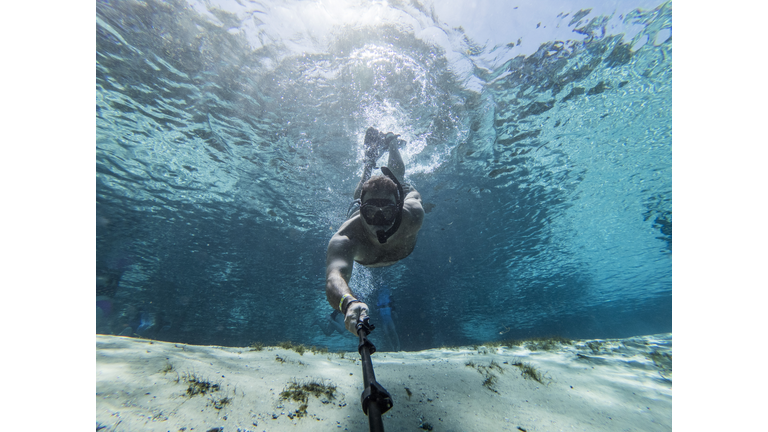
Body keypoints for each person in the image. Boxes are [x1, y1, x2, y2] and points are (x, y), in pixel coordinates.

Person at [325, 127, 425, 336]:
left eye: (387, 212)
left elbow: (411, 195)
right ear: (362, 210)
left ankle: (392, 144)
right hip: (359, 211)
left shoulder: (412, 215)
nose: (378, 221)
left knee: (398, 179)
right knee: (365, 185)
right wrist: (348, 304)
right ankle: (369, 162)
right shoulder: (347, 238)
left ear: (398, 209)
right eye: (370, 211)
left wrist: (400, 188)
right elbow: (334, 277)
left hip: (399, 197)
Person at [376, 284, 401, 351]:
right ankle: (392, 347)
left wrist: (394, 311)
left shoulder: (388, 295)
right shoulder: (378, 296)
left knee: (393, 331)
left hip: (388, 317)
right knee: (386, 333)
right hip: (383, 318)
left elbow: (392, 303)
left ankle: (398, 346)